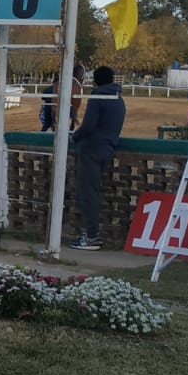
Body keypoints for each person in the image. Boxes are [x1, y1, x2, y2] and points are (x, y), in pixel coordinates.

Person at [69, 65, 127, 250]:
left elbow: (88, 126)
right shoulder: (120, 99)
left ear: (96, 80)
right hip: (108, 148)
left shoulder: (97, 97)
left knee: (88, 194)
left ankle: (92, 236)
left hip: (91, 149)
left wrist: (74, 137)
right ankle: (92, 235)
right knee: (94, 192)